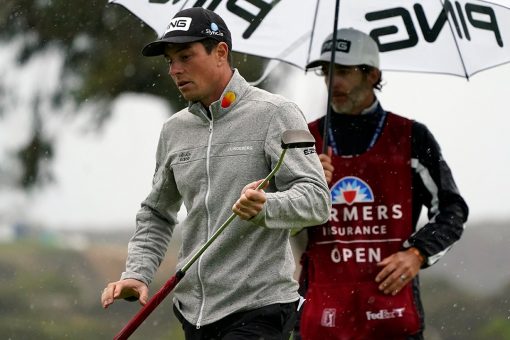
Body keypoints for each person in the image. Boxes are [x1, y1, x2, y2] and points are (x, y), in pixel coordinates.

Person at [100, 7, 331, 340]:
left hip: (260, 307)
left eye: (186, 56)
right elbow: (156, 213)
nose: (175, 70)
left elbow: (316, 199)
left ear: (221, 52)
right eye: (169, 61)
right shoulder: (174, 130)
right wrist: (137, 274)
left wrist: (266, 207)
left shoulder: (275, 113)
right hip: (193, 313)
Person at [295, 28, 469, 339]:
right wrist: (306, 188)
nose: (333, 81)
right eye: (327, 71)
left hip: (393, 316)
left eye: (344, 71)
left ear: (373, 74)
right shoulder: (303, 139)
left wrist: (417, 253)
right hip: (322, 317)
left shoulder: (412, 136)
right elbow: (277, 225)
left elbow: (452, 211)